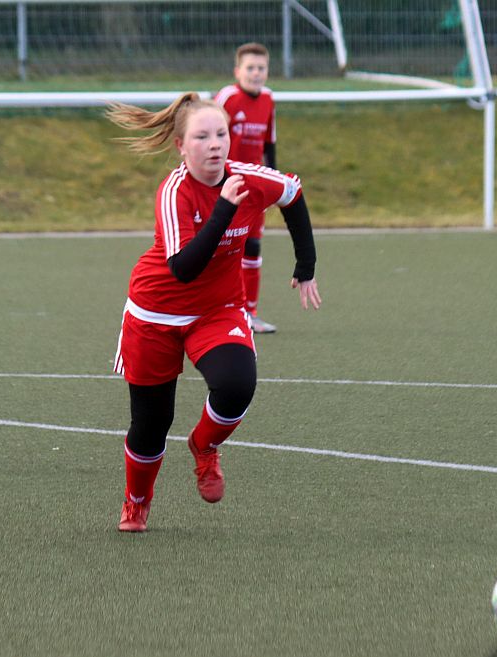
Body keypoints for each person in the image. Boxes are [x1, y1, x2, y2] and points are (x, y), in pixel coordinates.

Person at [105, 93, 322, 532]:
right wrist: (223, 207)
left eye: (221, 133)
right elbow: (184, 268)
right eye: (202, 136)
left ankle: (204, 446)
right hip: (155, 314)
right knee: (151, 424)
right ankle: (136, 501)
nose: (215, 144)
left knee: (237, 385)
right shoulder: (175, 192)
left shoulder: (248, 178)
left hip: (217, 310)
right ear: (182, 147)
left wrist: (306, 265)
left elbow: (293, 194)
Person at [215, 42, 278, 334]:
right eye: (250, 68)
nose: (256, 73)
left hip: (254, 188)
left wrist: (273, 182)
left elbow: (269, 144)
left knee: (252, 248)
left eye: (261, 68)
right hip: (224, 185)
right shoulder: (227, 97)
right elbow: (206, 135)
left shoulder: (268, 99)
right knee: (219, 249)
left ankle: (249, 313)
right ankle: (210, 310)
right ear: (237, 71)